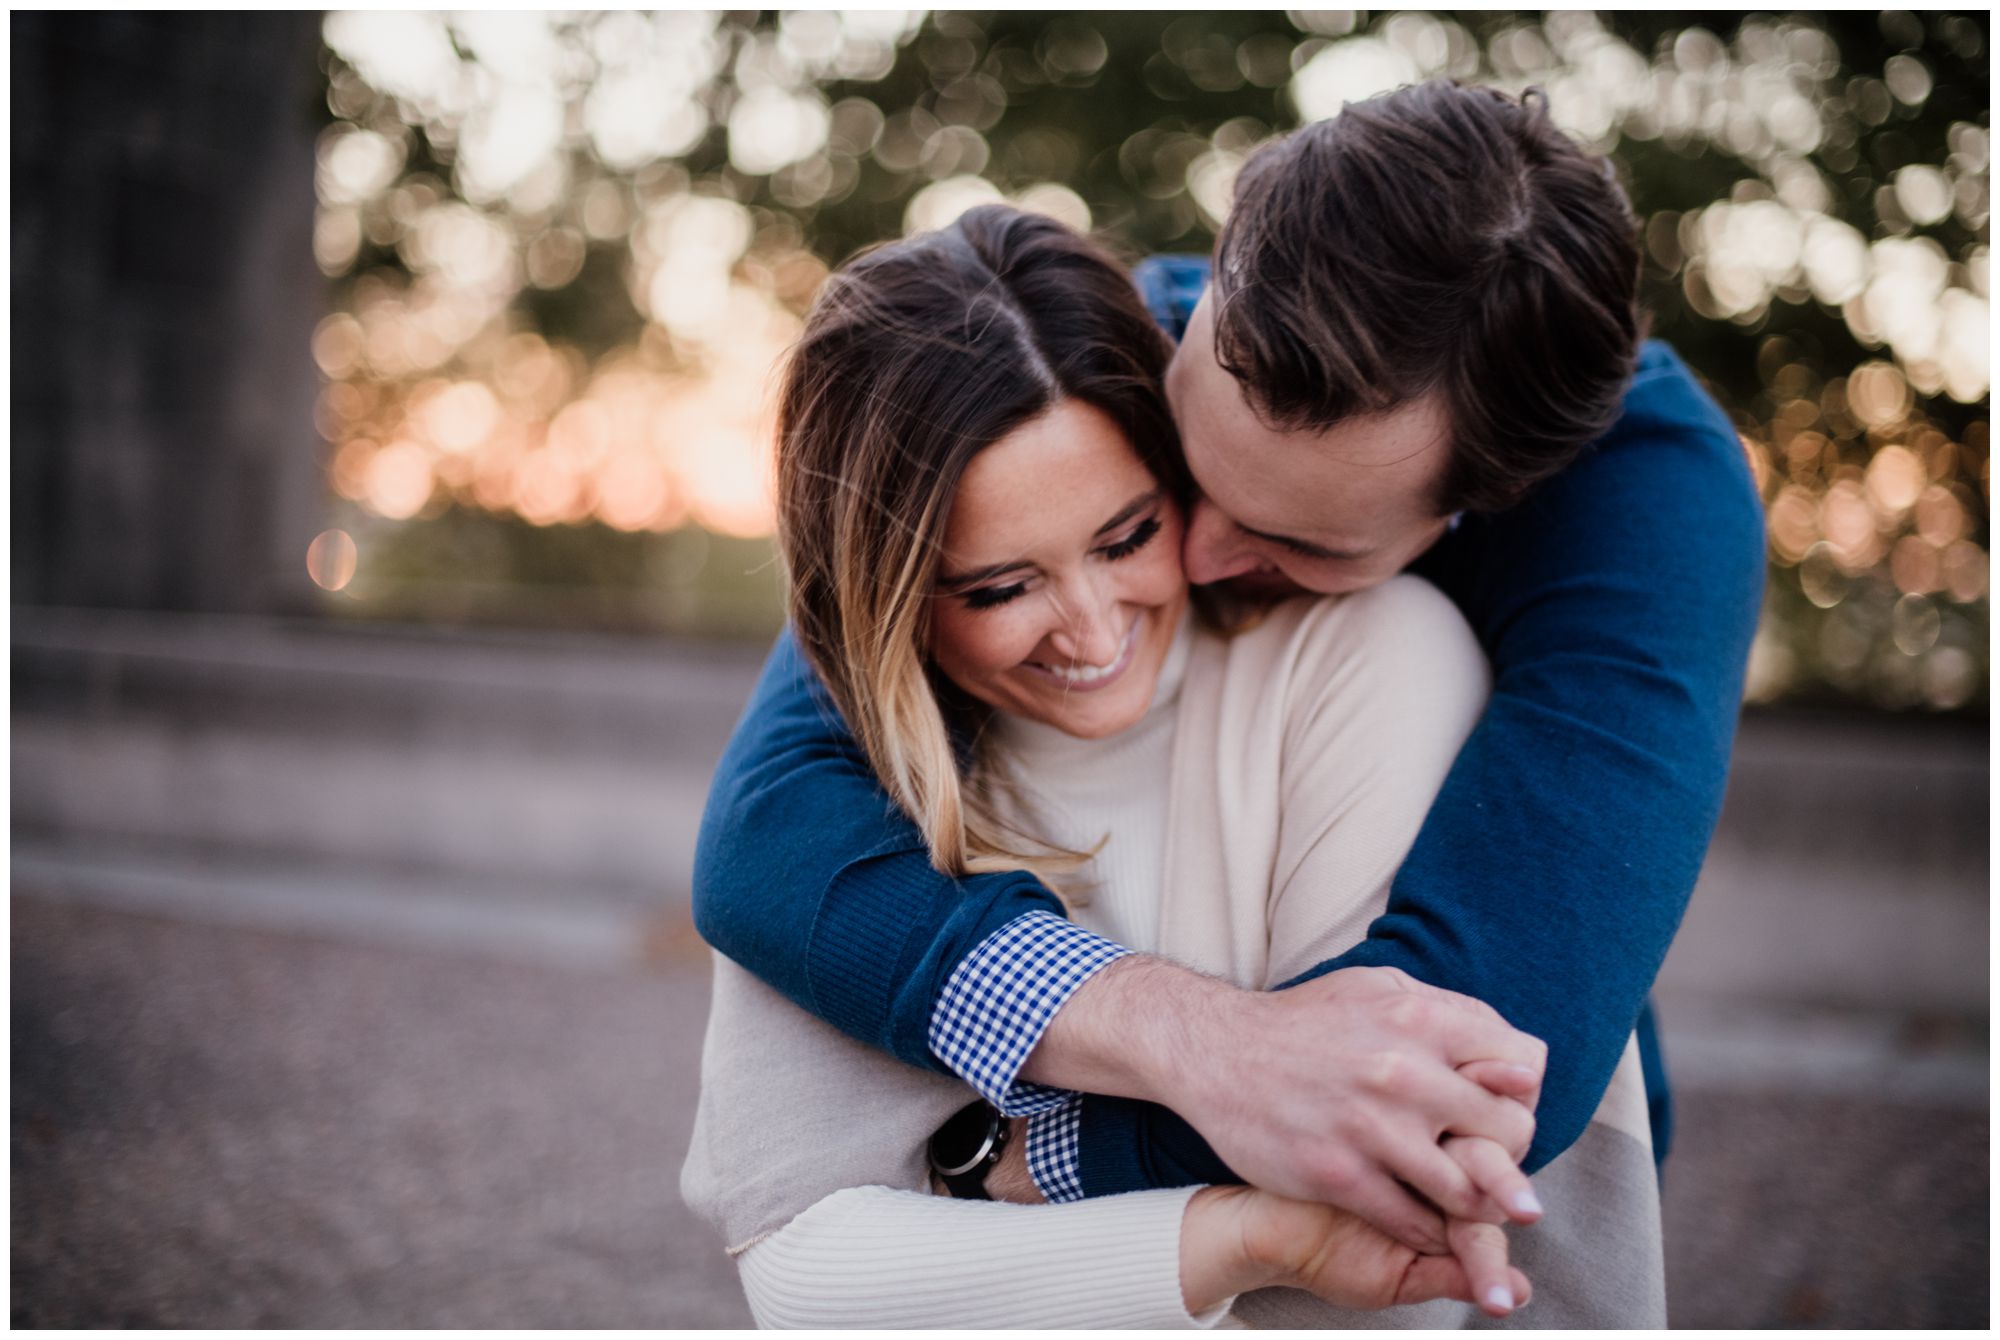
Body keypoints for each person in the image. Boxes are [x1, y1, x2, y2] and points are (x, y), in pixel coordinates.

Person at [692, 78, 1765, 1255]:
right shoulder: (1115, 331)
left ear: (1489, 499)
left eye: (1299, 542)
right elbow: (773, 823)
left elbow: (1481, 1066)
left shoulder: (1650, 509)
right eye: (1181, 467)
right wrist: (1194, 1038)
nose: (1194, 554)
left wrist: (1029, 1156)